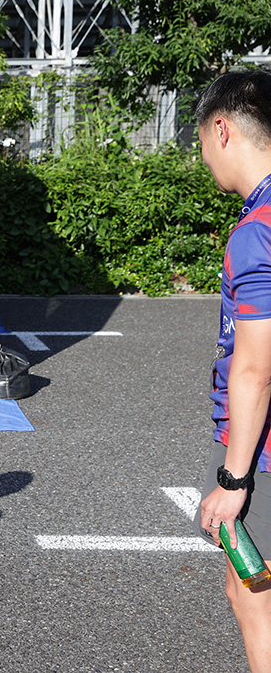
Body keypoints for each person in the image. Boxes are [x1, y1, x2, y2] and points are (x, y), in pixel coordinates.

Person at [193, 70, 271, 673]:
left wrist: (233, 477)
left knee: (256, 600)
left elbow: (254, 368)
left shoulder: (257, 231)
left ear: (222, 128)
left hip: (267, 453)